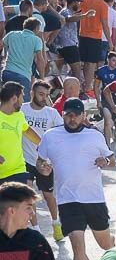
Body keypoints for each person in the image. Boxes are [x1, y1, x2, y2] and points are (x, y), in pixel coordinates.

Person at [35, 97, 116, 260]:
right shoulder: (50, 136)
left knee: (105, 244)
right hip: (67, 200)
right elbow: (40, 160)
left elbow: (111, 160)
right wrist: (43, 167)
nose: (72, 119)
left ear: (83, 116)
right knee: (78, 247)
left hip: (93, 199)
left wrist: (104, 162)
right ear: (63, 115)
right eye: (68, 115)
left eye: (76, 115)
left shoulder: (94, 135)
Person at [20, 80, 64, 238]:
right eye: (40, 94)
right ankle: (37, 229)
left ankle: (56, 222)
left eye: (46, 95)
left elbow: (61, 133)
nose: (43, 97)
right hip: (24, 160)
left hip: (45, 160)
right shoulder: (21, 109)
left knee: (48, 195)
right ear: (32, 93)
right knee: (28, 195)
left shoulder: (51, 113)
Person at [0, 82, 43, 185]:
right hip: (1, 173)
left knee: (25, 198)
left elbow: (27, 131)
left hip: (18, 170)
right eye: (22, 97)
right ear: (14, 99)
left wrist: (43, 144)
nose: (23, 101)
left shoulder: (19, 115)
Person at [78, 0, 111, 96]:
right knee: (91, 63)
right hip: (94, 35)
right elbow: (105, 24)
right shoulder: (103, 5)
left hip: (82, 34)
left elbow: (78, 9)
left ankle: (84, 85)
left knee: (84, 61)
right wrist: (110, 41)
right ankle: (88, 86)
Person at [2, 17, 46, 100]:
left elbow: (1, 45)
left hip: (7, 72)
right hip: (23, 75)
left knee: (6, 101)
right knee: (23, 103)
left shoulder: (11, 34)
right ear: (36, 28)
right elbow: (40, 60)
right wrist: (42, 78)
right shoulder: (36, 40)